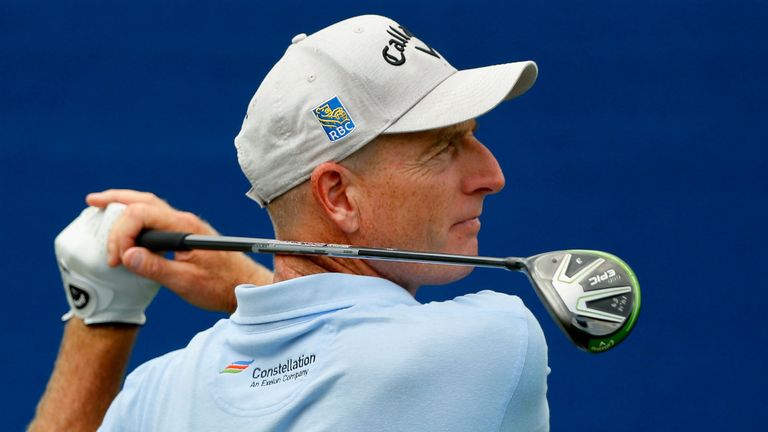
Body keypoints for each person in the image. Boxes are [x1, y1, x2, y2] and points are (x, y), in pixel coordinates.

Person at [29, 14, 549, 431]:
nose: (491, 174)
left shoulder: (155, 395)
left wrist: (100, 313)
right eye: (444, 146)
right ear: (339, 196)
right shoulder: (493, 342)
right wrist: (242, 283)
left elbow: (317, 348)